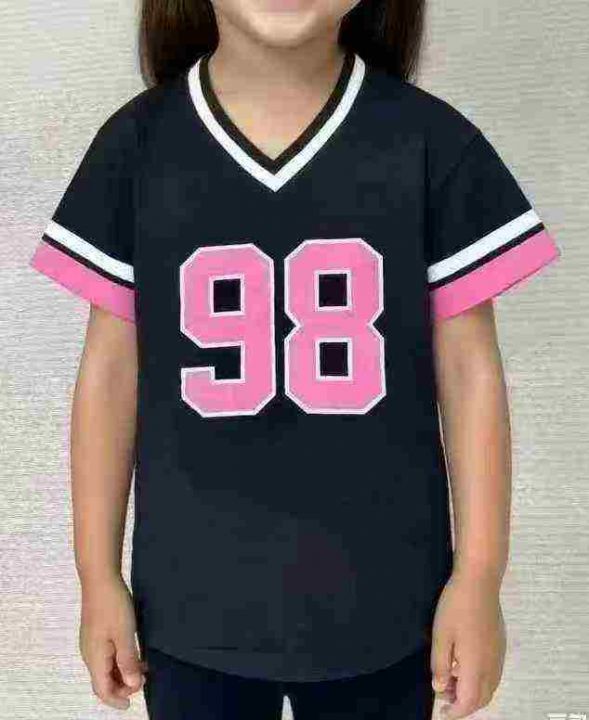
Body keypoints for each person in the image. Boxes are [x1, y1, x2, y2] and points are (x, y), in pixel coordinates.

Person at [28, 1, 562, 718]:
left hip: (390, 609)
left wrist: (479, 576)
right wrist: (96, 577)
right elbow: (109, 374)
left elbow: (471, 377)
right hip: (186, 612)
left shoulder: (434, 145)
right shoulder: (135, 147)